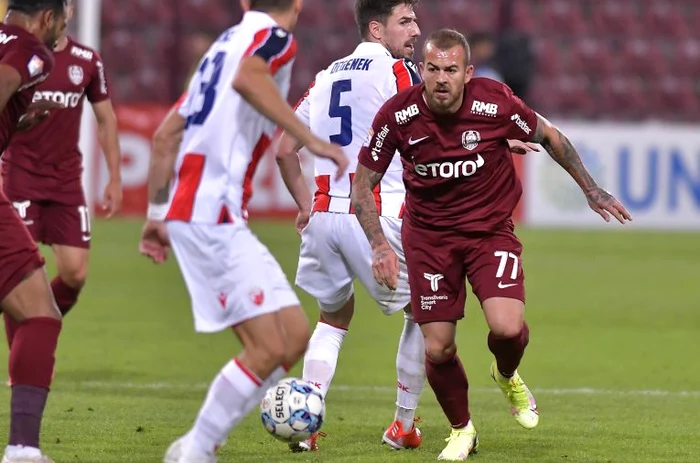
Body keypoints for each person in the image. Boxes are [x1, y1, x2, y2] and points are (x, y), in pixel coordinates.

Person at [352, 29, 632, 461]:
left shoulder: (495, 102)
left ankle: (506, 374)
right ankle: (462, 430)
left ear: (467, 73)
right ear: (420, 71)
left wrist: (591, 190)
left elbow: (551, 137)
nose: (441, 79)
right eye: (432, 69)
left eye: (450, 70)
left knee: (506, 328)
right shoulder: (397, 116)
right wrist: (379, 246)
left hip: (488, 232)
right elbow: (363, 185)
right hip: (428, 239)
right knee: (438, 346)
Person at [137, 0, 346, 461]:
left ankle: (193, 447)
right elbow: (249, 78)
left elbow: (165, 135)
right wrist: (309, 140)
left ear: (245, 2)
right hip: (211, 213)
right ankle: (196, 450)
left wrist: (156, 213)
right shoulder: (274, 40)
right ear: (298, 4)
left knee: (292, 335)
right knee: (268, 345)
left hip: (204, 212)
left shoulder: (221, 47)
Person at [274, 0, 424, 452]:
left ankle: (307, 424)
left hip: (323, 218)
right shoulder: (398, 72)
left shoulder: (326, 76)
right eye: (406, 21)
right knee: (425, 312)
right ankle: (403, 424)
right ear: (377, 30)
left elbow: (284, 149)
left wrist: (305, 205)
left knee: (333, 318)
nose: (416, 30)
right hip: (375, 215)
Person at [2, 0, 122, 351]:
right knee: (20, 273)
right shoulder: (21, 54)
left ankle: (37, 321)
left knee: (75, 273)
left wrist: (114, 176)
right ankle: (25, 349)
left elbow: (106, 119)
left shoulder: (87, 61)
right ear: (49, 14)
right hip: (20, 176)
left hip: (67, 182)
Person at [0, 1, 68, 462]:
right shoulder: (32, 51)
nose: (63, 32)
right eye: (64, 20)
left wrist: (14, 121)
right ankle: (23, 450)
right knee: (39, 314)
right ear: (47, 17)